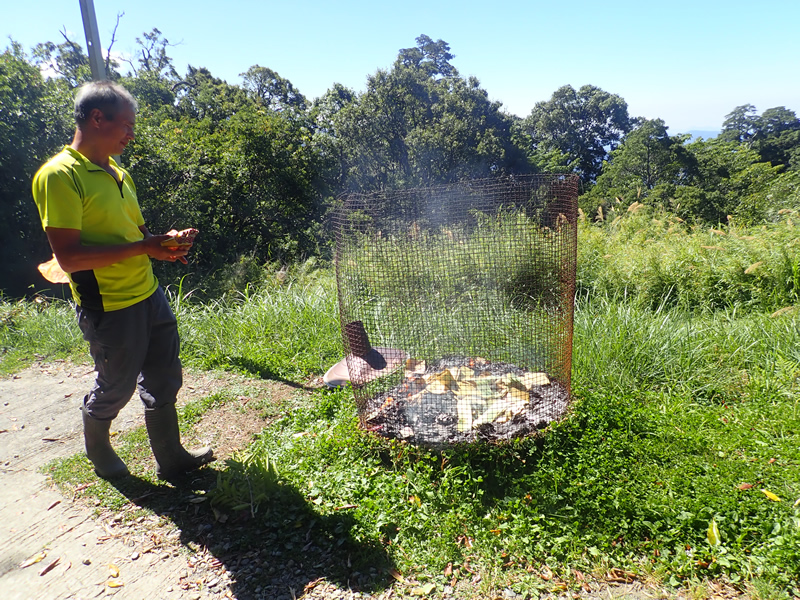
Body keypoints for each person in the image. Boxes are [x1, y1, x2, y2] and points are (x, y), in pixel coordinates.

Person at [31, 80, 214, 481]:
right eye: (127, 125)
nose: (132, 134)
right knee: (116, 385)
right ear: (98, 118)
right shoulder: (60, 176)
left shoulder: (119, 173)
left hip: (149, 294)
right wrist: (144, 247)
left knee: (165, 375)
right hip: (109, 305)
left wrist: (165, 246)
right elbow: (70, 257)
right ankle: (98, 451)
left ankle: (172, 457)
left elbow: (137, 236)